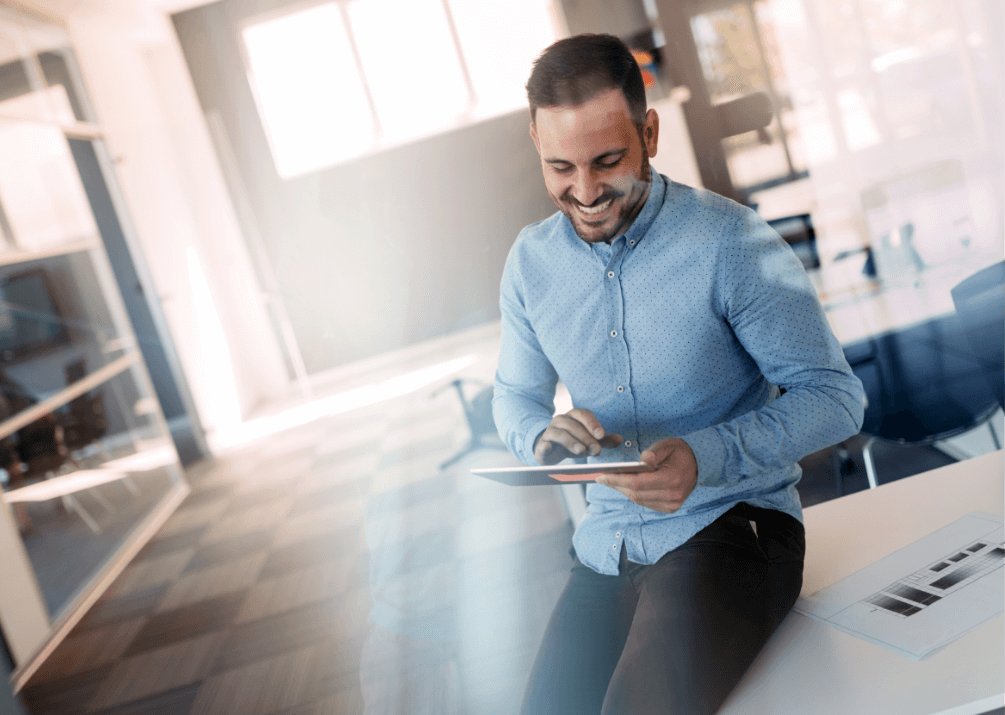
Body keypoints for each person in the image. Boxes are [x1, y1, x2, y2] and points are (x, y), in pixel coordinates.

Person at [491, 34, 865, 715]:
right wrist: (541, 439)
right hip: (606, 547)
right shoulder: (529, 264)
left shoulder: (732, 242)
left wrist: (706, 453)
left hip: (732, 528)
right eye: (559, 167)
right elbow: (515, 396)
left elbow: (836, 397)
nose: (584, 192)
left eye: (607, 162)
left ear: (649, 132)